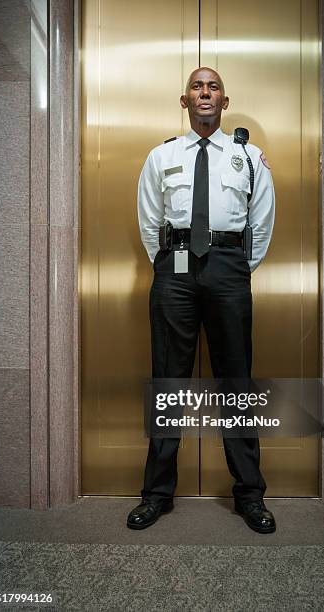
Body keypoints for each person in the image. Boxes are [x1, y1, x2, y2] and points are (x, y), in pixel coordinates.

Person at [127, 67, 276, 533]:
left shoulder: (248, 156)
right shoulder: (161, 155)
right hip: (174, 269)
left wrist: (234, 269)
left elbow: (262, 220)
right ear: (184, 100)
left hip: (229, 268)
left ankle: (250, 495)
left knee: (236, 380)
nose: (205, 93)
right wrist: (171, 263)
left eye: (213, 87)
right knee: (168, 379)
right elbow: (150, 219)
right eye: (197, 86)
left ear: (224, 102)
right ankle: (156, 494)